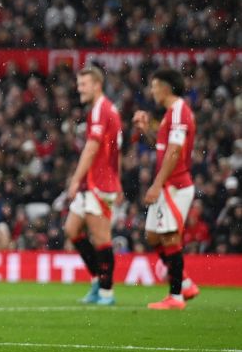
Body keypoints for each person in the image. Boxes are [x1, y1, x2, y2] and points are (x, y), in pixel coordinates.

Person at [133, 67, 200, 310]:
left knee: (170, 237)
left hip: (175, 185)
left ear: (165, 87)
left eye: (153, 85)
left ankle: (176, 297)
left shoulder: (180, 111)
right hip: (168, 184)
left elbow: (175, 151)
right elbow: (162, 146)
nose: (151, 91)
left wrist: (158, 183)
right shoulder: (171, 113)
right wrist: (146, 130)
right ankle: (185, 283)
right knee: (152, 235)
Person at [63, 66, 122, 306]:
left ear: (97, 85)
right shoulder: (104, 109)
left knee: (101, 237)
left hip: (98, 182)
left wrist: (76, 179)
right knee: (72, 229)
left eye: (83, 84)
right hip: (95, 180)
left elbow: (92, 148)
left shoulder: (101, 110)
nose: (79, 88)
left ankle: (106, 291)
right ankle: (99, 279)